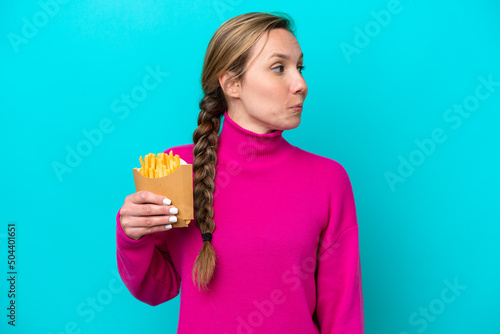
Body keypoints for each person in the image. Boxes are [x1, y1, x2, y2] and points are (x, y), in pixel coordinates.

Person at [116, 11, 364, 333]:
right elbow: (156, 287)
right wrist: (133, 237)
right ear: (232, 84)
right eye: (279, 68)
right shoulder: (176, 169)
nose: (300, 84)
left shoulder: (328, 180)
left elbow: (342, 313)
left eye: (299, 68)